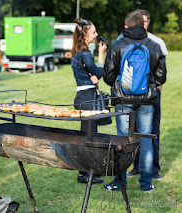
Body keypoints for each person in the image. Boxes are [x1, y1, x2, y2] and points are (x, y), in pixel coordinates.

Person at [103, 11, 167, 192]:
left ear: (126, 26)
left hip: (122, 100)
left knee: (123, 140)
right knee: (145, 140)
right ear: (143, 25)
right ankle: (146, 184)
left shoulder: (116, 45)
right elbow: (161, 77)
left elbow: (107, 76)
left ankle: (119, 182)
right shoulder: (154, 46)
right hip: (147, 101)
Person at [127, 9, 169, 181]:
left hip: (151, 95)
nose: (141, 25)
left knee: (152, 132)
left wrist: (157, 88)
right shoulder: (128, 41)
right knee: (134, 132)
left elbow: (162, 71)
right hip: (132, 95)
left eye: (144, 21)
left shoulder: (157, 42)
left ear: (148, 22)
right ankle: (137, 166)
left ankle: (154, 169)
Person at [71, 18, 107, 184]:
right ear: (85, 36)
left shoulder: (77, 53)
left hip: (82, 96)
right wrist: (101, 54)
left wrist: (92, 76)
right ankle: (83, 174)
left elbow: (92, 74)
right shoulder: (85, 54)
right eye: (93, 32)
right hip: (87, 98)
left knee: (89, 135)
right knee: (88, 137)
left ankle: (90, 170)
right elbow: (99, 72)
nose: (96, 35)